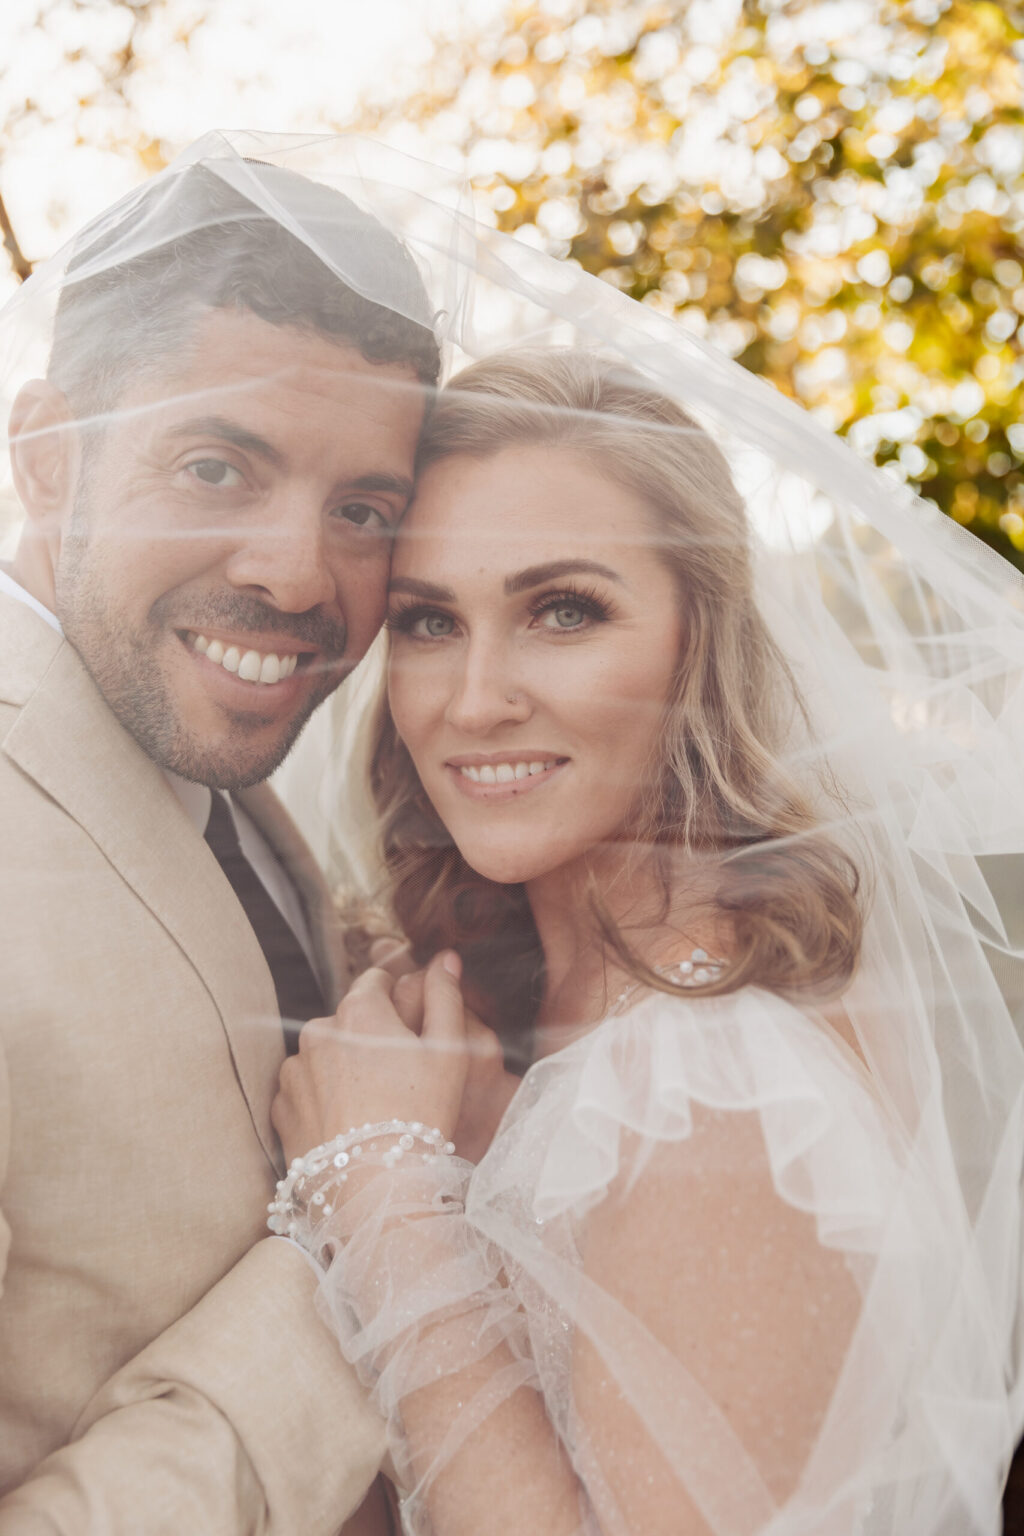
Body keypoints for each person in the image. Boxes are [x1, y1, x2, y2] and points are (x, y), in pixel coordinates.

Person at [272, 347, 1024, 1536]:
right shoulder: (536, 1010)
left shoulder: (713, 1092)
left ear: (697, 642)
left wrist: (379, 1188)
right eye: (427, 620)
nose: (473, 699)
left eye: (561, 610)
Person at [0, 141, 438, 1531]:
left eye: (364, 511)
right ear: (48, 463)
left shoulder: (233, 785)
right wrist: (364, 1236)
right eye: (213, 466)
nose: (299, 574)